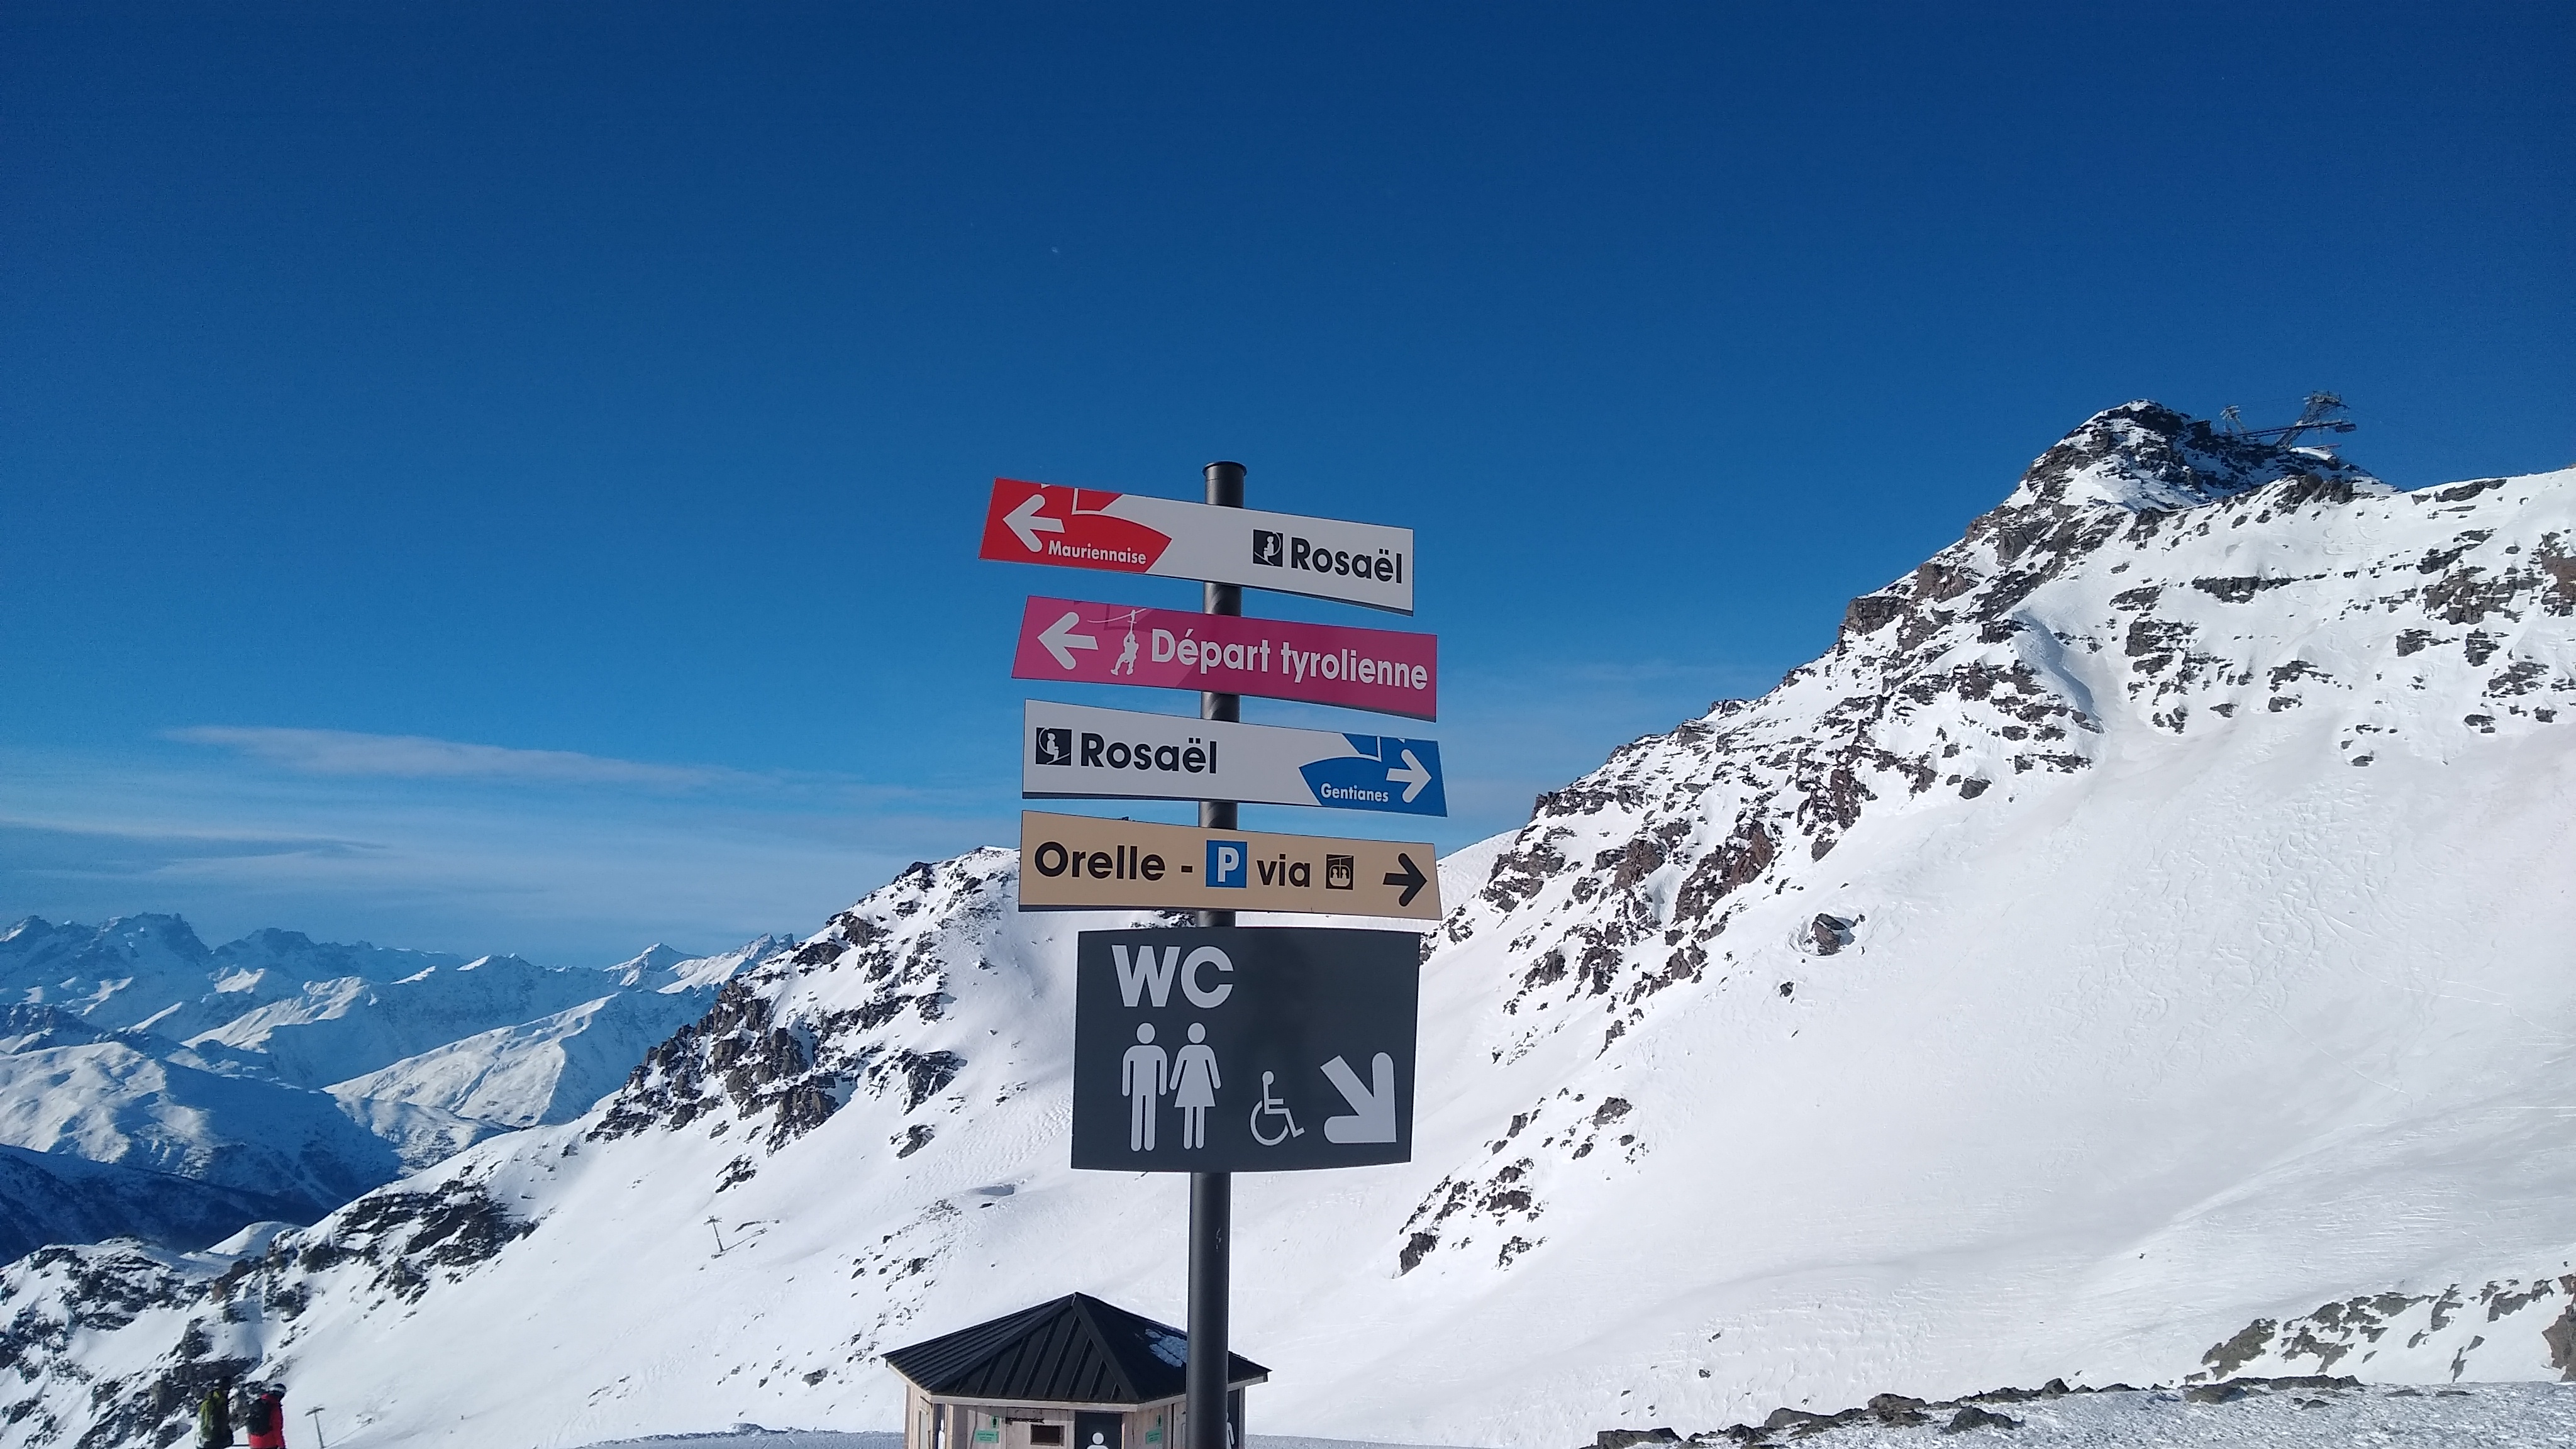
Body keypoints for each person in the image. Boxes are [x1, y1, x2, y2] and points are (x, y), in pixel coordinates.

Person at [1171, 1023, 1221, 1149]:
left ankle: (1195, 1142)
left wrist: (1173, 1085)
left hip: (1197, 1085)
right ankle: (1192, 1142)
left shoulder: (1202, 1051)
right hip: (1192, 1085)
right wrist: (1216, 1084)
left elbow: (1212, 1068)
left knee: (1197, 1112)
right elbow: (1179, 1068)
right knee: (1194, 1112)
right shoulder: (1190, 1051)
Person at [243, 1384, 286, 1449]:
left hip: (254, 1443)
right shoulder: (275, 1407)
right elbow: (277, 1430)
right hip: (268, 1443)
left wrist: (251, 1443)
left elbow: (249, 1424)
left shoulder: (257, 1403)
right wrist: (282, 1446)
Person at [196, 1378, 233, 1448]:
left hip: (219, 1436)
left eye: (228, 1387)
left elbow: (224, 1420)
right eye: (225, 1387)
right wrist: (206, 1438)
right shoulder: (210, 1403)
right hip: (211, 1439)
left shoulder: (223, 1402)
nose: (227, 1391)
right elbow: (204, 1421)